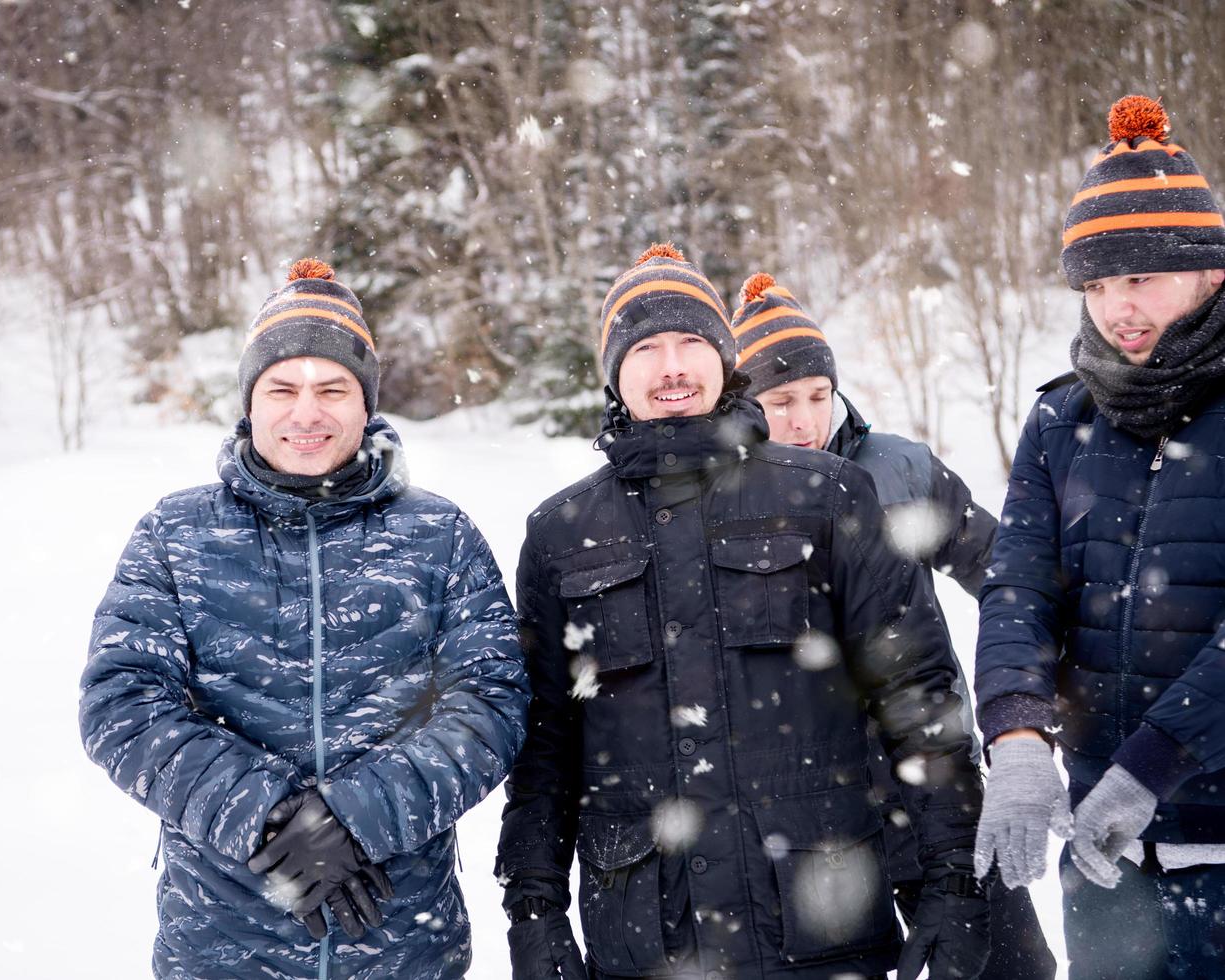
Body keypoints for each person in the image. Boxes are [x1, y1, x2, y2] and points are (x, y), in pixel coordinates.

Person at [495, 243, 987, 980]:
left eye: (691, 342)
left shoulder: (826, 495)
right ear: (613, 373)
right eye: (647, 347)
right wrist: (534, 912)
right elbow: (546, 746)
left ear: (725, 360)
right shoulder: (562, 531)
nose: (671, 367)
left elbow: (916, 694)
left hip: (819, 927)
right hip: (644, 939)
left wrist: (952, 879)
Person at [79, 257, 529, 979]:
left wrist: (357, 815)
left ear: (366, 403)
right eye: (282, 388)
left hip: (402, 943)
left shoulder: (438, 535)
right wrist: (271, 817)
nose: (307, 412)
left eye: (333, 389)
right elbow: (121, 706)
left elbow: (491, 702)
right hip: (223, 947)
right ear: (250, 403)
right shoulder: (176, 533)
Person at [732, 272, 1055, 980]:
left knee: (1013, 965)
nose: (803, 420)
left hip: (938, 777)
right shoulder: (733, 500)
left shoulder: (898, 468)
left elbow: (1006, 573)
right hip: (823, 809)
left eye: (818, 396)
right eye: (780, 401)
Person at [974, 94, 1225, 979]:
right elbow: (1018, 590)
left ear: (1211, 275)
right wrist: (1015, 738)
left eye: (1144, 278)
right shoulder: (1059, 419)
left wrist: (1157, 761)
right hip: (1102, 855)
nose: (1119, 307)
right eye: (1100, 282)